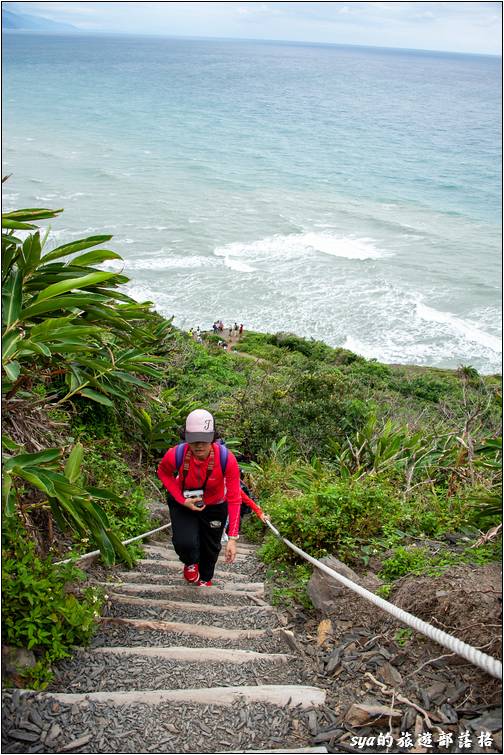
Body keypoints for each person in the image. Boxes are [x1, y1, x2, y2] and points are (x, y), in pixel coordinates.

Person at [157, 409, 241, 586]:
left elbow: (234, 498)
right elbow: (163, 472)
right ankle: (190, 562)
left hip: (215, 505)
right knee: (184, 542)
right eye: (193, 440)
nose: (199, 445)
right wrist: (181, 500)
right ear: (186, 438)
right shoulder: (176, 454)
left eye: (204, 439)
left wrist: (232, 538)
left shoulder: (226, 459)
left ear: (213, 437)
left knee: (211, 548)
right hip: (184, 502)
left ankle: (205, 579)